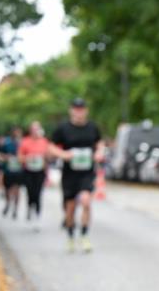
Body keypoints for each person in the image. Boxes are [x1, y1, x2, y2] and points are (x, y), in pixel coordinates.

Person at [50, 98, 104, 253]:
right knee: (70, 207)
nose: (79, 112)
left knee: (86, 201)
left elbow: (99, 143)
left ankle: (84, 235)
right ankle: (70, 236)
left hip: (87, 172)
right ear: (71, 111)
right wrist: (63, 154)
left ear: (86, 111)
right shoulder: (63, 128)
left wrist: (99, 152)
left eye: (82, 109)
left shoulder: (92, 127)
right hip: (69, 174)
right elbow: (51, 146)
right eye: (76, 109)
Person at [18, 121, 50, 227]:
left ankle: (37, 214)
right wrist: (28, 158)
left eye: (37, 128)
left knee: (38, 193)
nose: (35, 131)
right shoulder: (25, 141)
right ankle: (30, 208)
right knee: (30, 192)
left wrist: (45, 160)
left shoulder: (44, 141)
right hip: (28, 171)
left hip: (40, 171)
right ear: (30, 130)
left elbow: (49, 156)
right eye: (33, 129)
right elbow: (19, 157)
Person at [0, 126, 24, 218]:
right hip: (8, 170)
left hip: (18, 171)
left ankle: (15, 209)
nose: (17, 134)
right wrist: (7, 157)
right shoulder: (7, 143)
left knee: (17, 189)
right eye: (15, 132)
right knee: (7, 189)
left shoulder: (23, 143)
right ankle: (8, 203)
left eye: (19, 133)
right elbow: (1, 155)